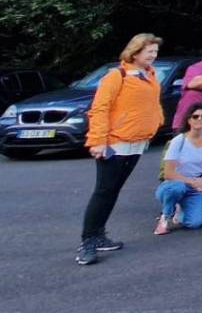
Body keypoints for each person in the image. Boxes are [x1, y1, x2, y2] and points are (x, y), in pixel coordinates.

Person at [78, 34, 165, 265]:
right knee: (104, 190)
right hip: (115, 143)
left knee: (114, 189)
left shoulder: (150, 75)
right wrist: (97, 140)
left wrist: (157, 121)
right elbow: (99, 109)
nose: (153, 56)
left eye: (155, 52)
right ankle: (88, 241)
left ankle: (99, 234)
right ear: (135, 52)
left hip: (137, 142)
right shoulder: (117, 75)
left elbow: (152, 103)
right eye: (149, 52)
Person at [154, 102, 202, 236]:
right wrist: (191, 182)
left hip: (195, 185)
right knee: (177, 188)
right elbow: (168, 173)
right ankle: (165, 216)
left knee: (194, 223)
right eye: (195, 116)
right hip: (174, 183)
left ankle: (180, 209)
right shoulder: (179, 140)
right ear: (189, 119)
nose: (200, 119)